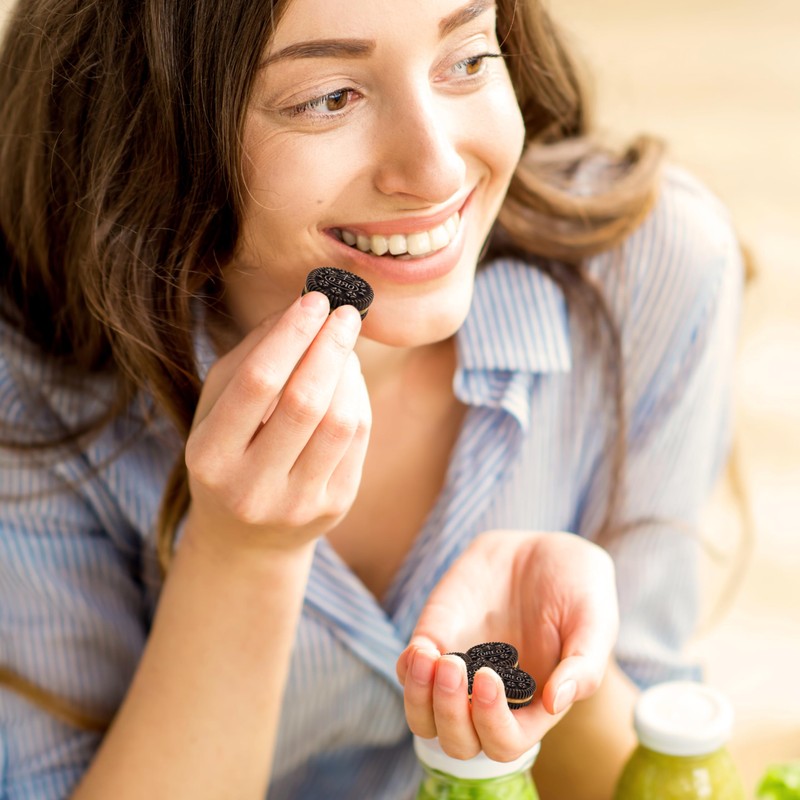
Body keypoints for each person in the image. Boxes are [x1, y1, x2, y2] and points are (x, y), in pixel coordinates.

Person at [0, 0, 744, 797]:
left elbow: (648, 765)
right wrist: (242, 554)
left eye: (465, 60)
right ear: (147, 127)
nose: (437, 172)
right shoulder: (29, 386)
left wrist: (550, 677)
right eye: (329, 97)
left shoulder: (655, 268)